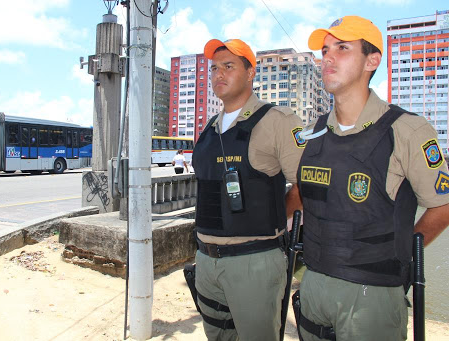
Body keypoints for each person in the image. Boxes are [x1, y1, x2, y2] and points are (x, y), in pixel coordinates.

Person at [295, 15, 449, 341]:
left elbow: (443, 205)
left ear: (372, 60)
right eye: (324, 50)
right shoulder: (312, 133)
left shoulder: (407, 130)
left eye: (342, 47)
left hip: (373, 296)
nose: (328, 57)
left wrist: (400, 256)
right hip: (312, 287)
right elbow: (303, 195)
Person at [191, 38, 304, 340]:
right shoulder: (210, 128)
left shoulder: (277, 121)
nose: (219, 74)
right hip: (205, 261)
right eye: (214, 68)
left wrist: (280, 211)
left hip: (253, 263)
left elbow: (307, 184)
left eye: (229, 66)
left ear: (251, 72)